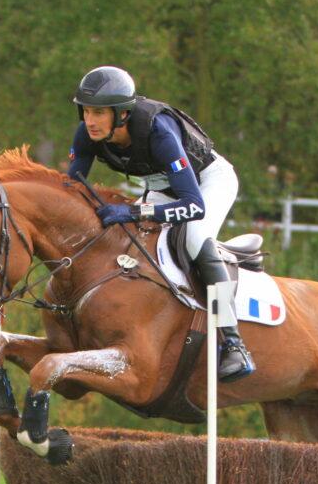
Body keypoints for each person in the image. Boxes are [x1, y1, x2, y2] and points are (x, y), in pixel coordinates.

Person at [67, 65, 254, 382]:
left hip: (207, 182)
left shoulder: (158, 131)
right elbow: (72, 190)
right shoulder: (87, 134)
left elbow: (193, 205)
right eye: (85, 111)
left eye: (98, 113)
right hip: (162, 188)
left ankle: (234, 342)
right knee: (125, 235)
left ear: (122, 114)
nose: (90, 121)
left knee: (195, 237)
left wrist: (133, 212)